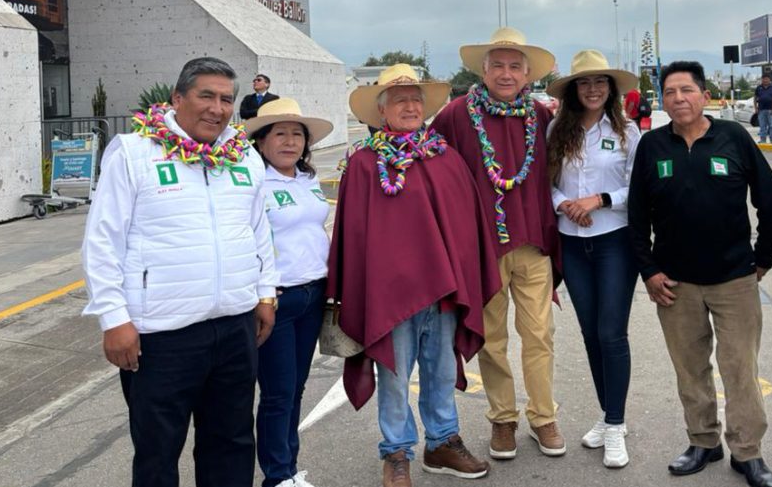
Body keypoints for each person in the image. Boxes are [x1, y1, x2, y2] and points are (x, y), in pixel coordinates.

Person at [82, 57, 280, 487]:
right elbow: (102, 241)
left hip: (234, 326)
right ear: (177, 98)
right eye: (206, 95)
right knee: (157, 452)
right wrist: (114, 318)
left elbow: (258, 230)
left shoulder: (243, 155)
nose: (217, 108)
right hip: (161, 334)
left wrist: (265, 293)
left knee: (231, 442)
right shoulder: (134, 152)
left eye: (226, 99)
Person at [329, 64, 501, 487]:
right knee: (394, 375)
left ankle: (442, 442)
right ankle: (397, 451)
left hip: (444, 291)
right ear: (381, 110)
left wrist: (464, 275)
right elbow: (352, 233)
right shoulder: (365, 164)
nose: (409, 106)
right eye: (399, 99)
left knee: (441, 370)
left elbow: (466, 225)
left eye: (415, 99)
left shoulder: (446, 158)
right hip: (390, 296)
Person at [627, 61, 772, 487]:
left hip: (734, 279)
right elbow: (637, 215)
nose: (678, 99)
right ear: (662, 100)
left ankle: (747, 452)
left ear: (705, 95)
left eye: (687, 90)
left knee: (740, 368)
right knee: (690, 369)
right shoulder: (652, 146)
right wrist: (649, 270)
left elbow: (770, 198)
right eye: (670, 92)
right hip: (675, 283)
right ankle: (703, 441)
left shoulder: (733, 137)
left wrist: (764, 257)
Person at [431, 27, 564, 460]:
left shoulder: (541, 116)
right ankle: (503, 419)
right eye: (498, 66)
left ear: (527, 74)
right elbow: (431, 168)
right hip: (482, 249)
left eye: (514, 67)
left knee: (539, 334)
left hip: (533, 245)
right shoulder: (455, 115)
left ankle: (543, 417)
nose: (506, 74)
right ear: (483, 71)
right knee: (491, 338)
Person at [545, 50, 641, 468]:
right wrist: (565, 203)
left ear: (611, 88)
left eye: (600, 81)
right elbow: (546, 182)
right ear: (573, 90)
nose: (593, 89)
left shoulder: (627, 132)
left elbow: (638, 188)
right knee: (590, 333)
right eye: (584, 82)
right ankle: (608, 414)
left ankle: (616, 425)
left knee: (611, 333)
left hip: (614, 241)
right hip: (572, 243)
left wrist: (598, 200)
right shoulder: (556, 129)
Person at [244, 98, 335, 487]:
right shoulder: (253, 182)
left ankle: (289, 469)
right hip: (277, 300)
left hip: (313, 295)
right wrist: (261, 291)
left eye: (297, 134)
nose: (289, 141)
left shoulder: (306, 179)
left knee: (295, 389)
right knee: (278, 393)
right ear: (261, 141)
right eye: (279, 133)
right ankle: (277, 476)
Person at [754, 74, 772, 144]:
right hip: (761, 110)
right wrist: (756, 108)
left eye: (767, 79)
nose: (765, 80)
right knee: (762, 126)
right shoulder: (759, 88)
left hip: (771, 110)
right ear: (762, 79)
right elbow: (755, 98)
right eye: (764, 79)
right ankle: (763, 140)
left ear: (769, 80)